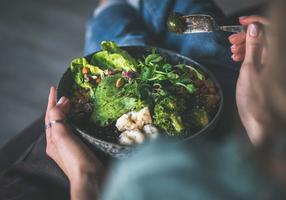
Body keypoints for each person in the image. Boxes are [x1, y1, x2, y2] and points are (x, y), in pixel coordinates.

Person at [17, 0, 286, 199]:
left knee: (124, 36)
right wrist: (257, 122)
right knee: (197, 28)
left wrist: (84, 180)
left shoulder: (147, 178)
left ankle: (112, 7)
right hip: (236, 120)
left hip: (209, 131)